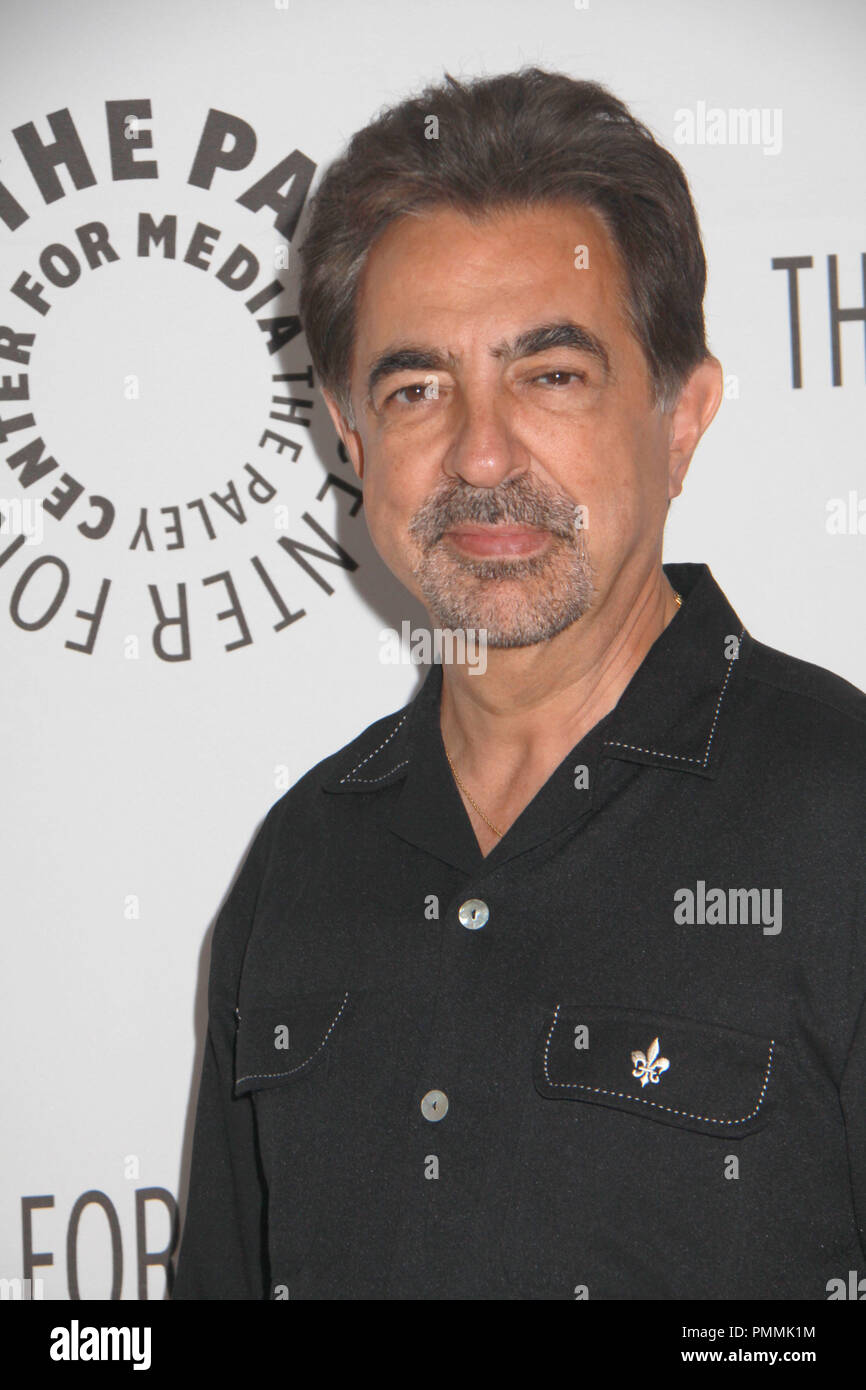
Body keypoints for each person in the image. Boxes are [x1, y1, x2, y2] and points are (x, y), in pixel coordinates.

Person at [172, 67, 866, 1300]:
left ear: (680, 418)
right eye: (417, 387)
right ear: (350, 435)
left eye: (550, 375)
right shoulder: (298, 861)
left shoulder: (841, 815)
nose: (480, 454)